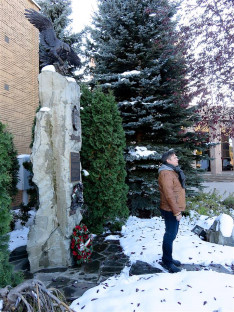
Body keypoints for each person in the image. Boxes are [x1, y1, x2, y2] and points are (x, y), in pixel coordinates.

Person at [158, 150, 186, 273]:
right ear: (168, 160)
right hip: (170, 210)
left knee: (171, 235)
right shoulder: (166, 173)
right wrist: (176, 212)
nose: (177, 159)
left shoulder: (171, 171)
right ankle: (167, 262)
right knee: (170, 235)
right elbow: (169, 195)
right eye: (174, 157)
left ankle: (167, 258)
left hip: (174, 208)